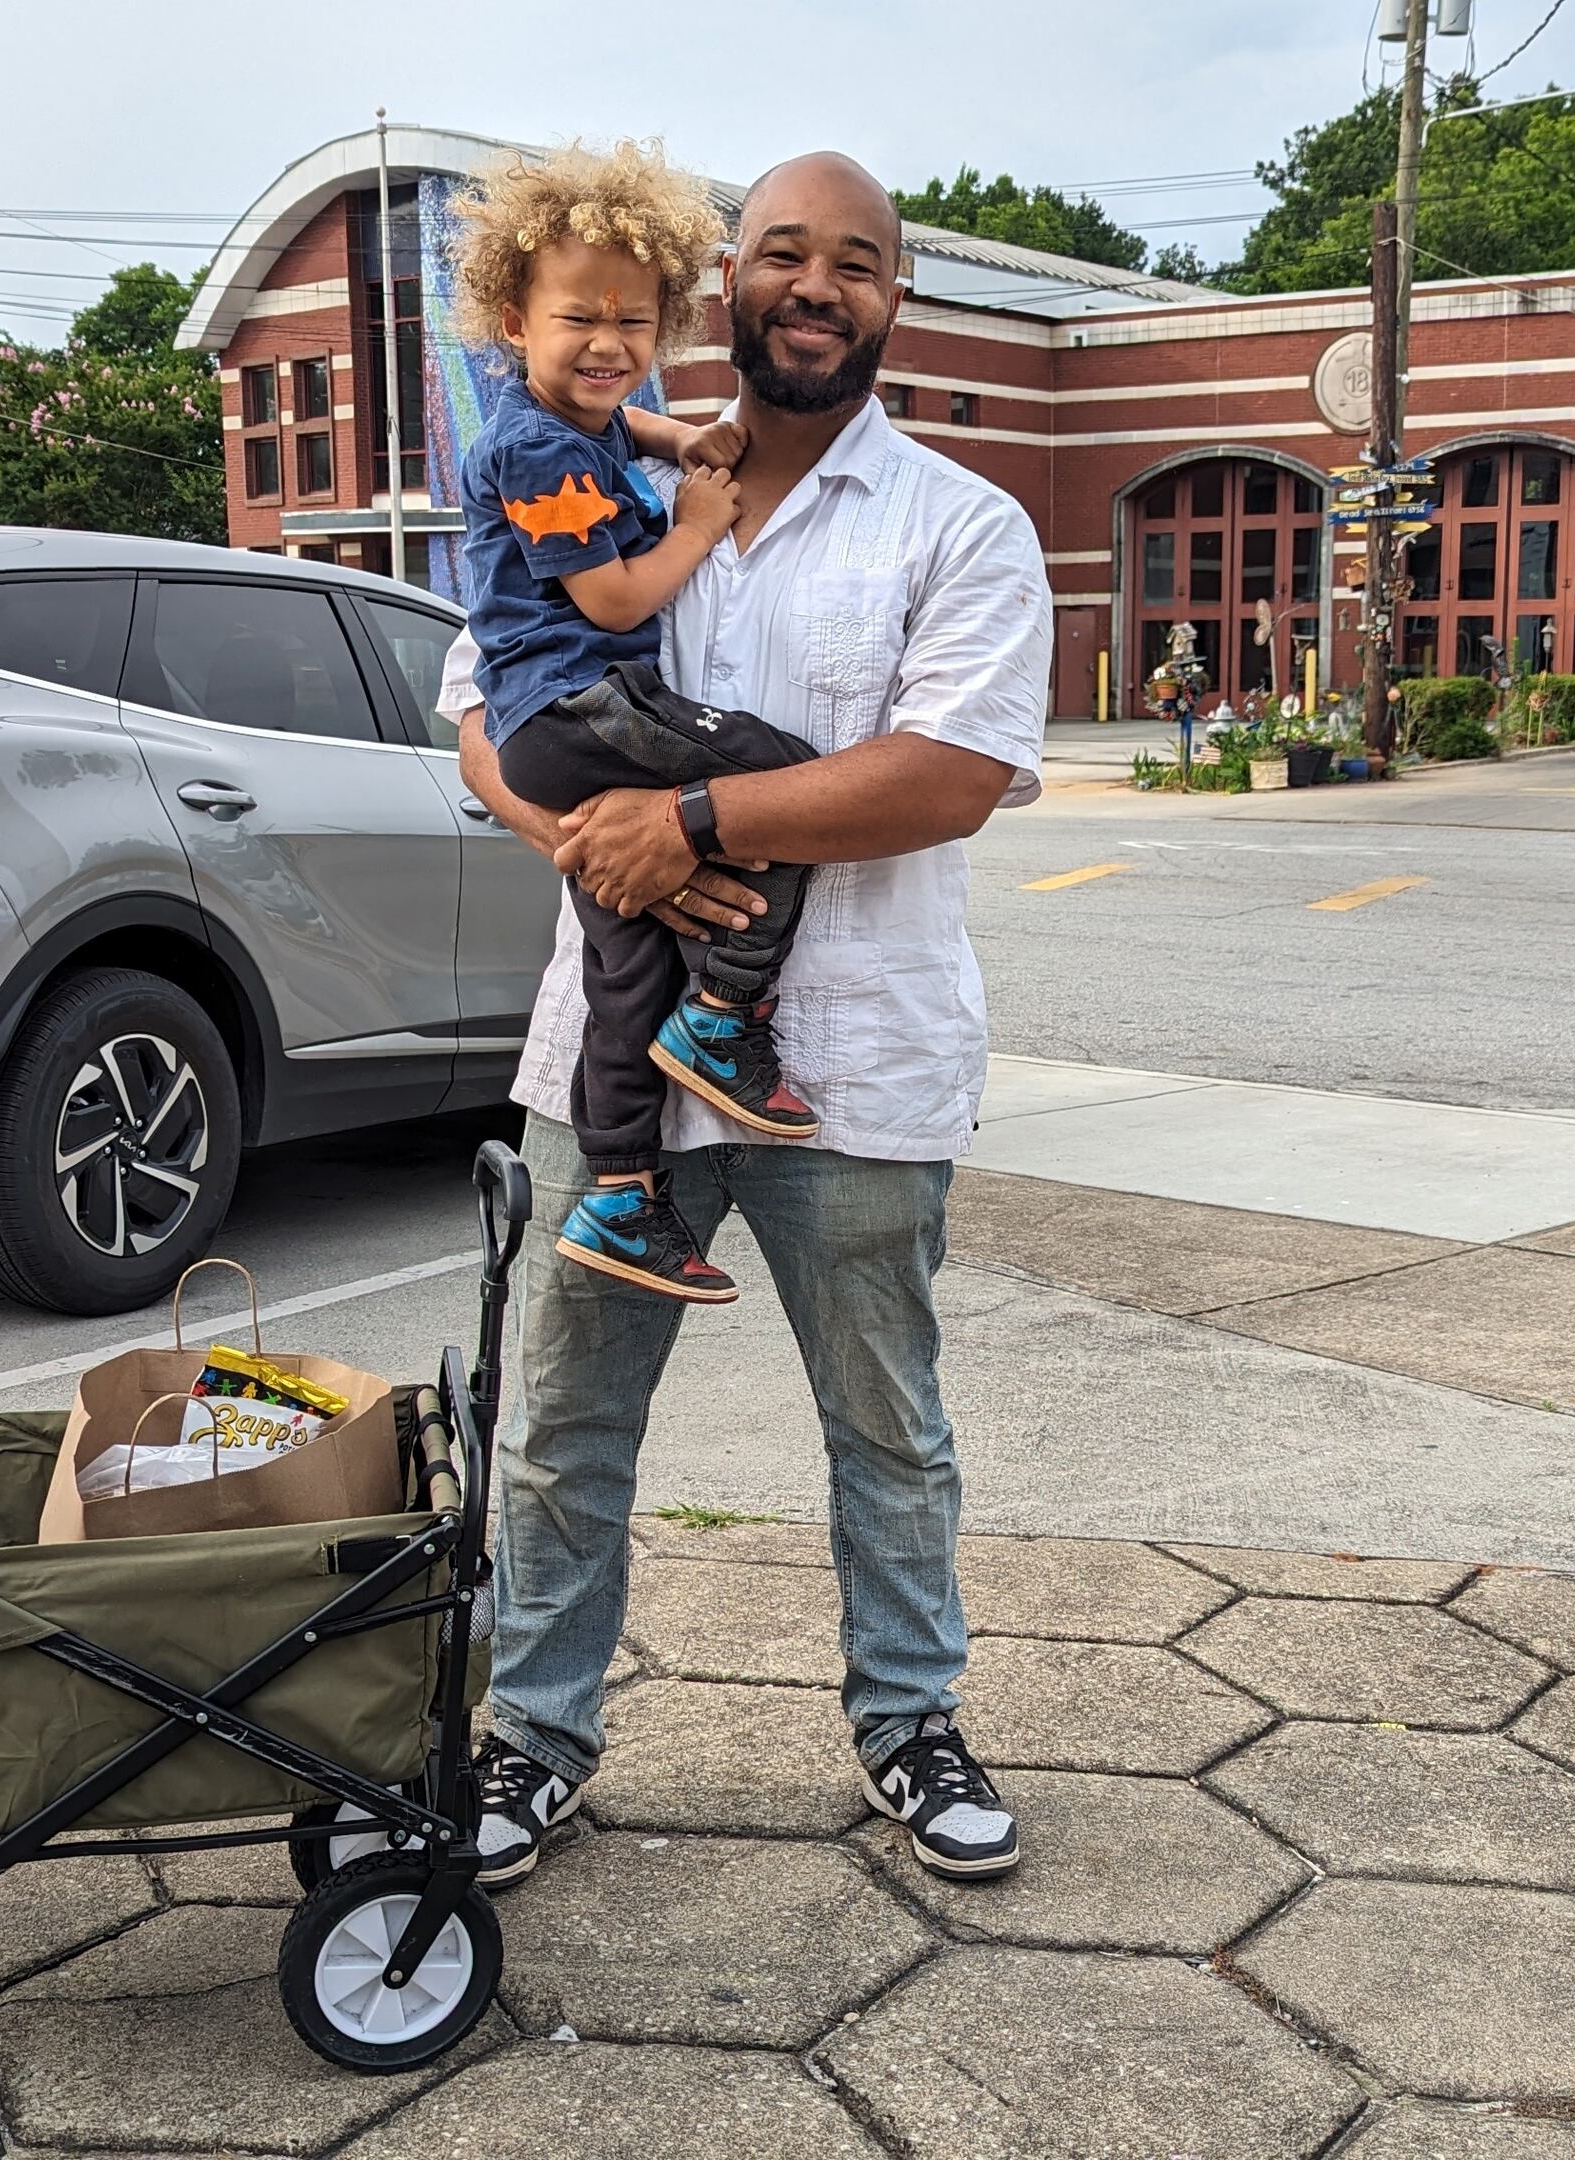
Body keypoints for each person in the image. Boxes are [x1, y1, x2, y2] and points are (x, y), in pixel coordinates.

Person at [443, 150, 1051, 1885]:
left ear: (893, 301)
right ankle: (532, 1738)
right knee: (563, 1425)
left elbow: (948, 774)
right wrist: (587, 833)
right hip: (607, 1058)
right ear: (726, 288)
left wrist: (688, 825)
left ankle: (911, 1723)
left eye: (856, 263)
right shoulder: (610, 468)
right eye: (782, 252)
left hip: (857, 1064)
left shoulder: (959, 521)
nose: (815, 284)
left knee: (888, 1429)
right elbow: (482, 707)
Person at [448, 142, 827, 1305]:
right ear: (513, 319)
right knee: (785, 777)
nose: (608, 344)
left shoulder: (583, 421)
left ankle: (619, 1193)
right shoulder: (530, 448)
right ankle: (725, 1015)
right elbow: (612, 597)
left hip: (558, 725)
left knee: (623, 970)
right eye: (579, 320)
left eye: (633, 322)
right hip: (581, 704)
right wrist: (704, 517)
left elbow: (632, 431)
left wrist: (678, 439)